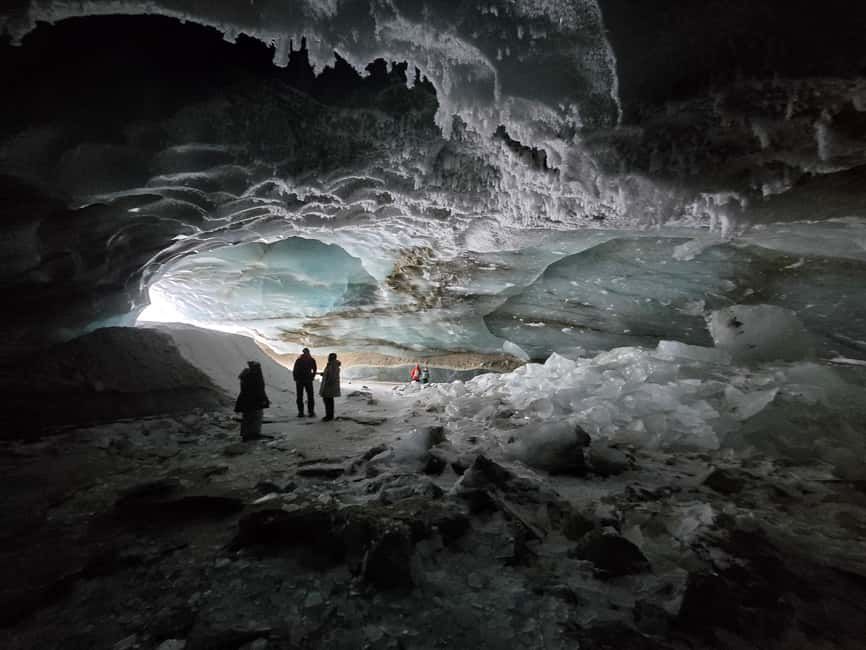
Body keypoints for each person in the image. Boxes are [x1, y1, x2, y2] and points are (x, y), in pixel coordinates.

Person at [235, 360, 270, 440]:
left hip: (246, 400)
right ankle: (254, 433)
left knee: (247, 417)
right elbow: (259, 389)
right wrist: (264, 399)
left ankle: (245, 434)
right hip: (255, 401)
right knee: (256, 417)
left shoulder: (246, 375)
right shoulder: (255, 375)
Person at [292, 347, 317, 417]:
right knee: (310, 396)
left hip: (300, 381)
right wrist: (312, 377)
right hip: (308, 380)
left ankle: (301, 412)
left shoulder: (299, 360)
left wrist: (295, 378)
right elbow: (314, 369)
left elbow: (295, 370)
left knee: (299, 396)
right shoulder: (311, 360)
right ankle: (311, 412)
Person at [319, 352, 341, 421]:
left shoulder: (333, 365)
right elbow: (331, 374)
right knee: (329, 401)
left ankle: (329, 416)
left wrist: (327, 383)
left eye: (329, 357)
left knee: (327, 401)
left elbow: (332, 376)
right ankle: (329, 415)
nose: (328, 358)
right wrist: (324, 374)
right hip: (330, 386)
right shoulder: (333, 364)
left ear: (331, 358)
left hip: (329, 386)